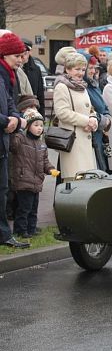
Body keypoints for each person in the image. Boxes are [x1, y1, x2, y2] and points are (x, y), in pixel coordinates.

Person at [0, 32, 29, 248]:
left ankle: (3, 235)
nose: (21, 59)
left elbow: (10, 102)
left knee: (2, 189)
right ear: (5, 53)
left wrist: (16, 119)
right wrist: (5, 121)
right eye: (17, 55)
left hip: (3, 141)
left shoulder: (8, 75)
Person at [10, 109, 58, 238]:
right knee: (24, 208)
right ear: (28, 126)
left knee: (33, 207)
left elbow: (45, 161)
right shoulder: (21, 139)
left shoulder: (41, 144)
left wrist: (51, 169)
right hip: (24, 179)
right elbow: (13, 146)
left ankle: (31, 228)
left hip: (37, 181)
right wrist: (19, 131)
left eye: (41, 125)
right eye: (35, 125)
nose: (39, 128)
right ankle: (20, 230)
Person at [53, 53, 98, 181]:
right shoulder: (62, 87)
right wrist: (86, 121)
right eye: (77, 69)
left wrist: (93, 118)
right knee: (74, 181)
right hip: (72, 141)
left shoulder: (82, 87)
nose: (81, 73)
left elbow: (90, 108)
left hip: (86, 140)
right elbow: (62, 113)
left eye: (83, 69)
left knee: (86, 181)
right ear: (67, 69)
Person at [83, 53, 112, 172]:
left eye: (94, 68)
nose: (93, 71)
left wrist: (107, 119)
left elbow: (104, 107)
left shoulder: (93, 85)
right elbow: (87, 112)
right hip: (88, 138)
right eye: (90, 68)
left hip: (98, 136)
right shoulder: (83, 87)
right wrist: (103, 119)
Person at [21, 38, 45, 116]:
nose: (23, 56)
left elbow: (40, 94)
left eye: (26, 52)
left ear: (30, 52)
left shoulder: (35, 69)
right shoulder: (15, 67)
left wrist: (42, 116)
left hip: (33, 109)